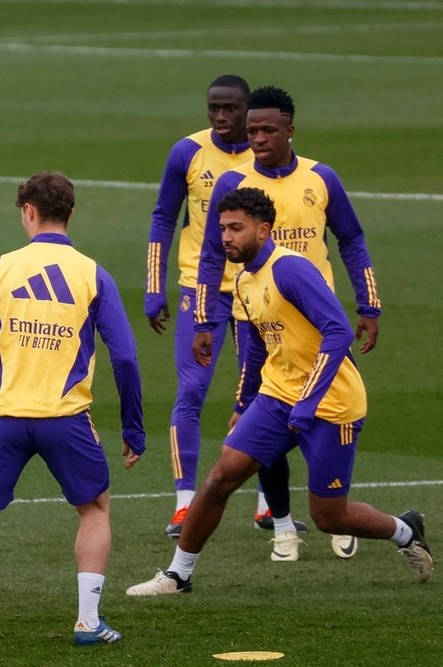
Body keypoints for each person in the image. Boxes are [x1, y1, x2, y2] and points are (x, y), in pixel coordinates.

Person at [125, 188, 432, 597]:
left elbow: (338, 331)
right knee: (220, 478)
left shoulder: (290, 269)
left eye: (236, 228)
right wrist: (243, 402)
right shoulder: (244, 278)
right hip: (277, 395)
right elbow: (255, 345)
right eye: (222, 229)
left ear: (263, 229)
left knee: (328, 517)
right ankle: (178, 575)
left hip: (332, 402)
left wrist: (308, 403)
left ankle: (405, 530)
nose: (226, 237)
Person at [0, 172, 145, 648]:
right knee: (94, 509)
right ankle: (88, 621)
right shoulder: (93, 273)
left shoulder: (1, 268)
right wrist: (133, 427)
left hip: (2, 419)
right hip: (66, 420)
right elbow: (125, 356)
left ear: (28, 211)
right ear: (71, 213)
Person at [192, 86, 382, 561]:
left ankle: (335, 515)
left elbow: (352, 239)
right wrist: (202, 317)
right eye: (250, 129)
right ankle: (281, 524)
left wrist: (369, 305)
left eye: (265, 129)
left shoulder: (321, 179)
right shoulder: (232, 183)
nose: (256, 137)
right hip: (252, 316)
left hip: (317, 321)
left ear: (289, 130)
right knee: (261, 427)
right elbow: (211, 255)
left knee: (319, 411)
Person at [145, 74, 303, 539]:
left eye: (230, 109)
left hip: (263, 291)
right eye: (213, 108)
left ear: (248, 110)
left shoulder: (270, 162)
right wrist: (155, 286)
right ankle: (183, 503)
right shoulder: (187, 153)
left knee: (266, 394)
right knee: (191, 393)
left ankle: (267, 505)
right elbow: (162, 216)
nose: (220, 117)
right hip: (204, 290)